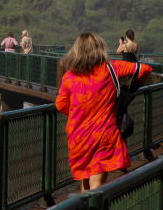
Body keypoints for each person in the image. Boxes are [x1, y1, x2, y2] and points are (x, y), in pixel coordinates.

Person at [55, 33, 152, 192]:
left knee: (85, 182)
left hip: (78, 137)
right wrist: (131, 89)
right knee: (96, 184)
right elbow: (145, 69)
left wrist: (81, 112)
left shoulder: (69, 76)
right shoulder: (112, 68)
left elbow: (61, 105)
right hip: (103, 135)